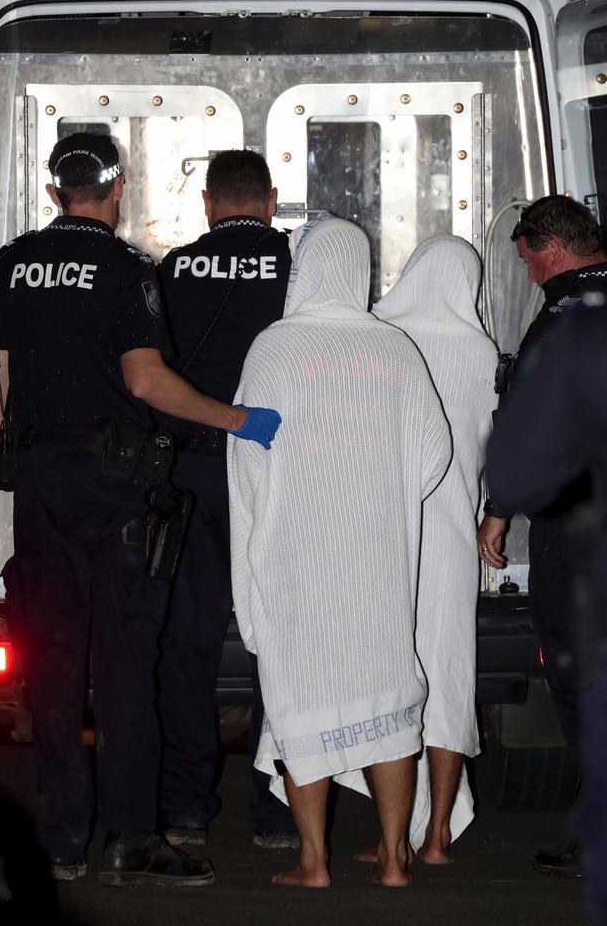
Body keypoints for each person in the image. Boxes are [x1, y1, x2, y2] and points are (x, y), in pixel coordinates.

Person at [0, 133, 280, 887]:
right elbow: (145, 382)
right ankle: (133, 839)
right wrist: (239, 421)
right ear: (117, 192)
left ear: (54, 193)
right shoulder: (126, 269)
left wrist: (31, 452)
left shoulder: (13, 264)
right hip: (117, 489)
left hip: (40, 489)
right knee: (125, 667)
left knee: (51, 664)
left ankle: (64, 841)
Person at [228, 215, 452, 887]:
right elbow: (434, 456)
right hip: (379, 559)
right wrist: (381, 483)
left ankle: (314, 861)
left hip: (300, 557)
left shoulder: (276, 346)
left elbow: (249, 451)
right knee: (388, 698)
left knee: (301, 695)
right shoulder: (397, 349)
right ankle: (392, 859)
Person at [157, 150, 297, 848]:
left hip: (190, 473)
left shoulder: (172, 268)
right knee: (280, 641)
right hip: (278, 470)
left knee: (188, 642)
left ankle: (186, 808)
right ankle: (275, 811)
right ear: (271, 201)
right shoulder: (301, 268)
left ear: (208, 203)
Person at [477, 194, 607, 878]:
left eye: (528, 257)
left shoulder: (561, 317)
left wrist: (500, 509)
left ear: (550, 248)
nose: (527, 272)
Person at [370, 235, 497, 862]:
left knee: (390, 672)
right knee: (450, 676)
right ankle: (438, 832)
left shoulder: (382, 337)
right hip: (452, 535)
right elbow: (490, 445)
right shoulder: (479, 349)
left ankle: (392, 834)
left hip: (387, 530)